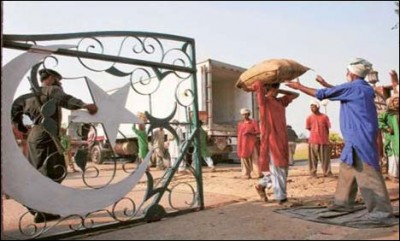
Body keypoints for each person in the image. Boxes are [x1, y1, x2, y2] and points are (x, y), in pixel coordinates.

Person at [286, 58, 393, 219]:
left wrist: (299, 86)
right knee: (347, 170)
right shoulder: (363, 88)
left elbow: (321, 95)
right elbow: (339, 91)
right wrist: (327, 84)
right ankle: (342, 204)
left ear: (351, 73)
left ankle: (381, 211)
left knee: (368, 173)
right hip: (355, 138)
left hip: (359, 138)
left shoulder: (353, 88)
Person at [11, 68, 98, 223]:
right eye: (58, 79)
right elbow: (65, 99)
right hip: (47, 136)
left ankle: (39, 207)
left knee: (37, 173)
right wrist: (85, 105)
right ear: (50, 78)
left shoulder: (28, 96)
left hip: (34, 137)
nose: (60, 83)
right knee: (54, 172)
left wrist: (22, 127)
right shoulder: (52, 90)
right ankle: (41, 209)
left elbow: (14, 110)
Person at [244, 81, 299, 203]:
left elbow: (296, 95)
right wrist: (264, 87)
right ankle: (281, 197)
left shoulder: (280, 102)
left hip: (282, 138)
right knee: (277, 167)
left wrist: (279, 90)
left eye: (277, 87)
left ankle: (261, 185)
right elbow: (258, 85)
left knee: (282, 168)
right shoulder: (264, 101)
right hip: (271, 138)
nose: (276, 89)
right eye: (275, 87)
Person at [306, 99, 332, 177]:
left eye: (313, 107)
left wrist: (327, 138)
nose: (312, 108)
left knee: (325, 159)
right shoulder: (309, 118)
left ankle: (327, 172)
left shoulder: (324, 117)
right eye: (311, 107)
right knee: (312, 159)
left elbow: (327, 128)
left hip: (323, 141)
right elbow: (309, 128)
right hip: (313, 141)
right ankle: (313, 173)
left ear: (318, 107)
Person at [378, 94, 399, 183]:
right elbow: (379, 121)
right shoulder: (387, 113)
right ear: (392, 102)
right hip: (392, 138)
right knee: (394, 157)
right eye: (395, 100)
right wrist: (386, 127)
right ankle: (393, 174)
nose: (397, 102)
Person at [237, 108, 260, 179]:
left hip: (252, 143)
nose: (245, 116)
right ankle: (246, 174)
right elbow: (239, 134)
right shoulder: (240, 124)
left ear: (249, 115)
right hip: (243, 144)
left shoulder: (253, 122)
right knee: (244, 159)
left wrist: (250, 133)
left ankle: (257, 174)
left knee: (255, 159)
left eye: (246, 114)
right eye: (243, 115)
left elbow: (258, 131)